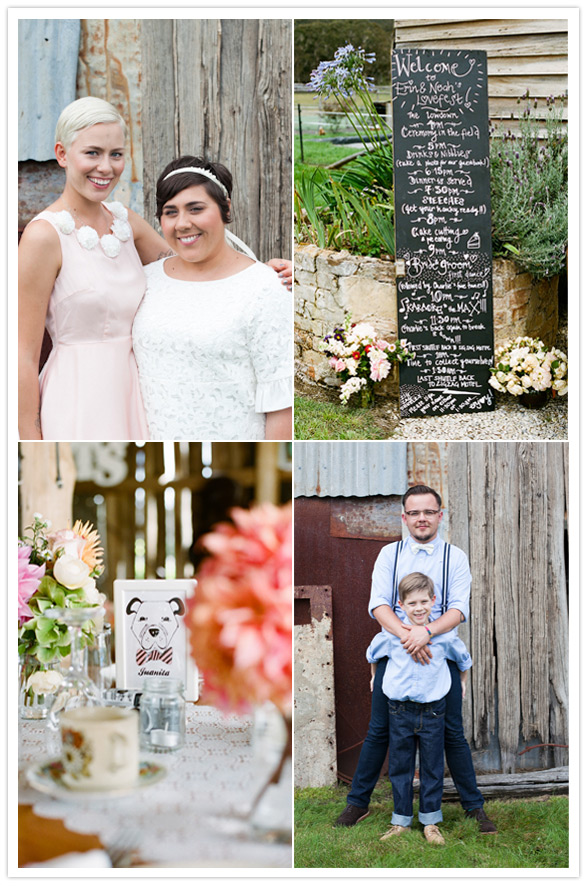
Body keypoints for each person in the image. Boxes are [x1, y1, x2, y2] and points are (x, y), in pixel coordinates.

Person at [18, 97, 292, 440]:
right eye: (92, 153)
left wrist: (257, 275)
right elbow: (21, 355)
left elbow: (190, 264)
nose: (106, 167)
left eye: (116, 154)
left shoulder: (125, 223)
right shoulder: (43, 236)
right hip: (78, 396)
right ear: (62, 154)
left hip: (134, 397)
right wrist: (29, 442)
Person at [334, 484, 497, 834]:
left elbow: (459, 609)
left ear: (440, 515)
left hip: (441, 654)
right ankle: (358, 803)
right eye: (415, 512)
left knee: (453, 733)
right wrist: (409, 635)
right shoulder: (389, 555)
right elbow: (378, 604)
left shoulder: (455, 557)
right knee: (379, 730)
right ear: (404, 517)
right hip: (396, 650)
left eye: (429, 512)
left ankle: (474, 807)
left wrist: (428, 632)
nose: (422, 518)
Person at [131, 157, 292, 440]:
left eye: (196, 209)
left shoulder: (264, 287)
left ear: (225, 207)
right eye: (170, 212)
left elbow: (282, 405)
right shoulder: (145, 281)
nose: (183, 223)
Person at [368, 572, 471, 845]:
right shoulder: (392, 636)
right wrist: (374, 677)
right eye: (412, 603)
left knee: (432, 767)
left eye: (424, 602)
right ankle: (400, 821)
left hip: (433, 711)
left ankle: (430, 822)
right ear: (401, 605)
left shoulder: (444, 637)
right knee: (400, 767)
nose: (419, 608)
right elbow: (373, 654)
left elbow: (464, 659)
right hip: (399, 710)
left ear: (433, 601)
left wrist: (461, 682)